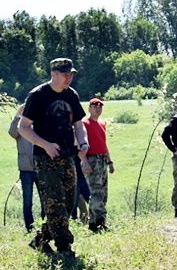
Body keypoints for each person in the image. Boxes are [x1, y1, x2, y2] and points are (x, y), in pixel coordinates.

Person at [18, 58, 88, 257]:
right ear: (54, 73)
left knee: (66, 205)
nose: (69, 78)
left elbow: (78, 125)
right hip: (45, 158)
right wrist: (45, 145)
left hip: (68, 156)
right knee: (55, 204)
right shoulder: (38, 96)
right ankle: (64, 248)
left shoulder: (71, 95)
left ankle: (39, 241)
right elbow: (22, 128)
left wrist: (82, 142)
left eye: (71, 74)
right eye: (65, 74)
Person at [8, 104, 43, 232]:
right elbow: (11, 133)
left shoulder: (38, 124)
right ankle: (30, 227)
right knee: (27, 201)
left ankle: (44, 224)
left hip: (40, 168)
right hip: (25, 170)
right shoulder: (20, 127)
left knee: (44, 199)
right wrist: (17, 115)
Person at [82, 98, 114, 231]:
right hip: (91, 159)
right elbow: (80, 144)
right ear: (89, 108)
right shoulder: (84, 123)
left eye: (100, 106)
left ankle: (93, 222)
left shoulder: (101, 123)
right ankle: (101, 222)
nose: (97, 108)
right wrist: (84, 162)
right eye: (94, 106)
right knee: (96, 192)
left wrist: (110, 161)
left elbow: (103, 144)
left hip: (102, 159)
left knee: (103, 192)